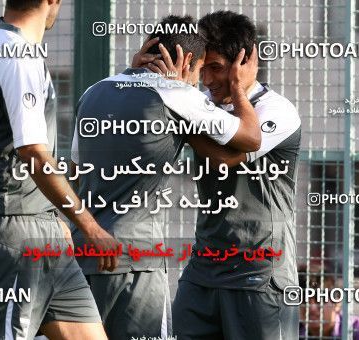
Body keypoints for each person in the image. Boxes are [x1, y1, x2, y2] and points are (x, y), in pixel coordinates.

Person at [70, 14, 261, 340]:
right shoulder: (176, 95)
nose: (201, 82)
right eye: (201, 71)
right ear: (188, 60)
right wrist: (238, 87)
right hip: (137, 259)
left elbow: (74, 171)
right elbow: (250, 138)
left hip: (84, 254)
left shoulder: (93, 92)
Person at [0, 0, 118, 339]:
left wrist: (50, 216)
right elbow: (33, 152)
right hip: (12, 234)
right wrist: (89, 226)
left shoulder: (2, 44)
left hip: (42, 232)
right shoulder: (17, 55)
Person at [146, 10, 302, 339]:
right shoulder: (198, 104)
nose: (207, 80)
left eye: (216, 68)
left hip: (259, 274)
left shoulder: (277, 110)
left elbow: (226, 157)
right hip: (204, 269)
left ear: (245, 61)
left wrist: (182, 113)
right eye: (204, 69)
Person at [299, 264, 359, 340]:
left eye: (320, 299)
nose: (311, 308)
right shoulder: (292, 331)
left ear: (337, 303)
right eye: (304, 300)